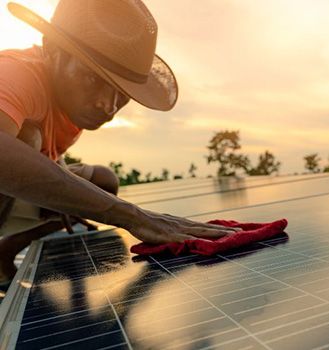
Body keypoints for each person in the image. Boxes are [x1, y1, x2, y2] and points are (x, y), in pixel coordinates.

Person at [0, 0, 240, 285]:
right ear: (52, 49)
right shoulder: (16, 74)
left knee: (101, 183)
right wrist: (132, 216)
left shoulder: (70, 102)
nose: (108, 106)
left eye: (121, 93)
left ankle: (6, 249)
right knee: (26, 140)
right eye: (92, 77)